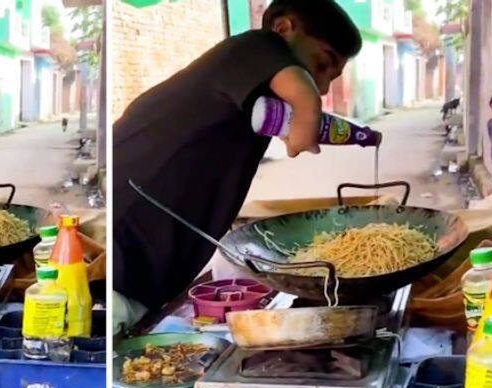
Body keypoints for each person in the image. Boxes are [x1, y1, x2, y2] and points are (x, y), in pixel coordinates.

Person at [112, 0, 362, 331]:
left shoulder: (252, 96)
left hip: (150, 267)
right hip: (126, 250)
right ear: (283, 29)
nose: (323, 87)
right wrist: (306, 117)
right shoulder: (253, 46)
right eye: (319, 65)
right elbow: (305, 97)